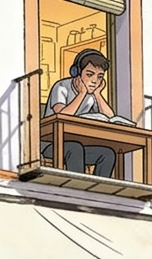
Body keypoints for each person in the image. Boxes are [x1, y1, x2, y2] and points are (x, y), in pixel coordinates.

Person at [42, 50, 118, 178]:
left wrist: (97, 94)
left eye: (100, 77)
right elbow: (62, 116)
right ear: (76, 72)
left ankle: (98, 189)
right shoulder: (61, 87)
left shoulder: (92, 94)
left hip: (78, 147)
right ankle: (77, 185)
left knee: (107, 153)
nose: (95, 81)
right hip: (52, 145)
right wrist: (81, 94)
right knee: (75, 147)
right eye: (90, 74)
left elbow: (111, 117)